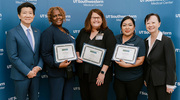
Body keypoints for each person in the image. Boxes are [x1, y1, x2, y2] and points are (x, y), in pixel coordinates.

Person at [75, 9, 116, 100]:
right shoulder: (83, 32)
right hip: (84, 75)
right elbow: (77, 47)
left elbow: (110, 54)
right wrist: (77, 57)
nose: (96, 20)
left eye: (98, 18)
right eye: (94, 18)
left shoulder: (107, 33)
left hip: (98, 75)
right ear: (89, 19)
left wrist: (102, 73)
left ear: (102, 20)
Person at [6, 2, 43, 100]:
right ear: (19, 15)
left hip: (36, 75)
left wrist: (38, 67)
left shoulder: (38, 32)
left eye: (30, 13)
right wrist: (27, 72)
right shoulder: (12, 33)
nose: (28, 15)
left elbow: (41, 53)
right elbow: (13, 57)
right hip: (20, 76)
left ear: (34, 15)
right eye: (24, 13)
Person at [41, 7, 75, 100]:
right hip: (56, 73)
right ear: (50, 18)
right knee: (56, 97)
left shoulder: (66, 30)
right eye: (54, 16)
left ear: (63, 16)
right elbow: (45, 53)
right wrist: (58, 65)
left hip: (69, 71)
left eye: (59, 15)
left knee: (68, 97)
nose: (58, 17)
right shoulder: (48, 32)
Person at [143, 13, 176, 100]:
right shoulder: (145, 41)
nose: (150, 25)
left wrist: (170, 84)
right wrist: (146, 78)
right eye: (148, 23)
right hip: (150, 82)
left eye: (153, 22)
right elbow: (147, 63)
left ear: (159, 24)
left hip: (163, 82)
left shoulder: (166, 41)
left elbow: (171, 64)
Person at [113, 16, 145, 100]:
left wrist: (127, 65)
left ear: (134, 27)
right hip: (118, 78)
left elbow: (141, 61)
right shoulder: (115, 39)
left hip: (134, 79)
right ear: (121, 27)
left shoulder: (139, 41)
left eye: (130, 25)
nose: (127, 27)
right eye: (124, 25)